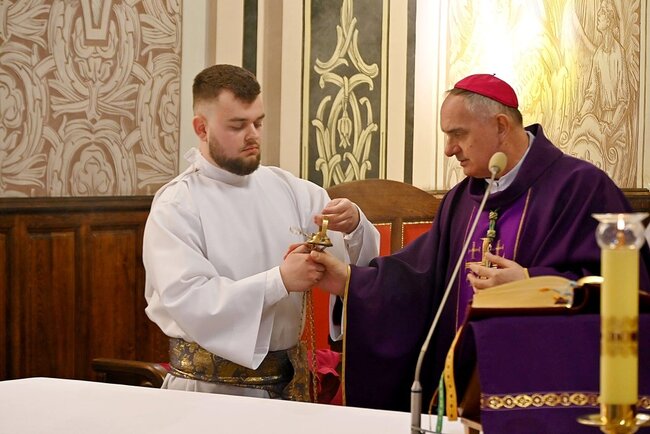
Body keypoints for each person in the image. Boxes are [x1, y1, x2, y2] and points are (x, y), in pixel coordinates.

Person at [309, 73, 650, 411]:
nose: (448, 150)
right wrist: (349, 282)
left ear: (501, 126)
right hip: (461, 396)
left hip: (542, 396)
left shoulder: (581, 188)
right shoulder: (462, 200)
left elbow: (626, 291)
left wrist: (531, 284)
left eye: (458, 134)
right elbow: (418, 280)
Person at [143, 64, 379, 401]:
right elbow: (191, 300)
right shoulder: (177, 205)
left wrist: (355, 225)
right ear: (201, 128)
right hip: (209, 394)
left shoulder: (289, 189)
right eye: (237, 125)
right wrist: (279, 281)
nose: (252, 134)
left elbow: (353, 266)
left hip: (289, 391)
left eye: (258, 122)